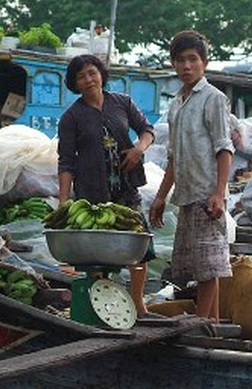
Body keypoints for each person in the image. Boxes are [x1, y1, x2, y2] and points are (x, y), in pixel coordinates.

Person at [57, 54, 156, 318]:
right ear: (74, 84)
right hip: (92, 195)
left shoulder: (122, 103)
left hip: (126, 188)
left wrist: (138, 149)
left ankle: (138, 303)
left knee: (140, 248)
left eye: (92, 73)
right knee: (97, 255)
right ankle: (103, 309)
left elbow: (147, 129)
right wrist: (64, 201)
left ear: (101, 74)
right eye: (81, 76)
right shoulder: (71, 117)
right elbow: (66, 162)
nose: (88, 79)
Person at [148, 30, 234, 321]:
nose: (186, 66)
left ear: (204, 63)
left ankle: (202, 324)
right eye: (180, 60)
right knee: (200, 267)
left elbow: (224, 148)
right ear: (173, 64)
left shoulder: (213, 99)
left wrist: (219, 193)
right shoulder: (176, 104)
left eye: (193, 59)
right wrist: (160, 196)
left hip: (207, 195)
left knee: (210, 266)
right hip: (186, 194)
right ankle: (214, 323)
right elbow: (173, 156)